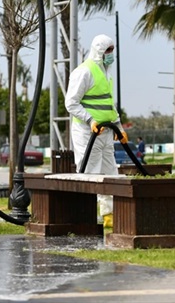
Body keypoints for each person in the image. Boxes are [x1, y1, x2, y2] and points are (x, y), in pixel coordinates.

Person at [64, 34, 123, 229]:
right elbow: (71, 103)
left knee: (110, 174)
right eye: (108, 51)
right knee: (90, 173)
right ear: (99, 51)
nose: (111, 55)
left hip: (106, 132)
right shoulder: (84, 72)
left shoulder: (106, 73)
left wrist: (119, 127)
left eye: (112, 50)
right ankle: (85, 218)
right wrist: (90, 120)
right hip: (87, 133)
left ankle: (109, 216)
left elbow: (108, 104)